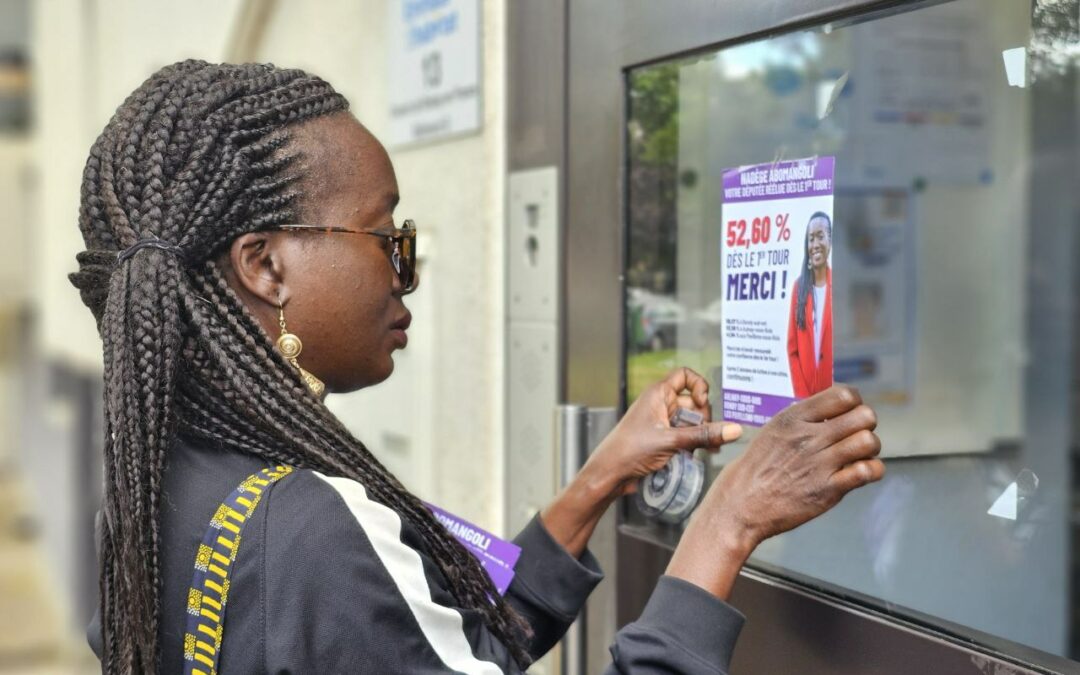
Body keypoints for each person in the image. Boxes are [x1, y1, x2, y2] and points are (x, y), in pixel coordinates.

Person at [72, 62, 882, 674]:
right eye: (386, 233)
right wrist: (726, 521)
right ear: (266, 267)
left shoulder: (160, 492)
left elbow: (448, 646)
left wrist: (597, 480)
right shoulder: (312, 531)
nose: (405, 268)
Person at [788, 211, 835, 398]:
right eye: (811, 239)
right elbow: (792, 351)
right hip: (806, 399)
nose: (815, 245)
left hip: (834, 400)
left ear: (830, 241)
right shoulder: (799, 289)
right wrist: (803, 399)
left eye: (820, 237)